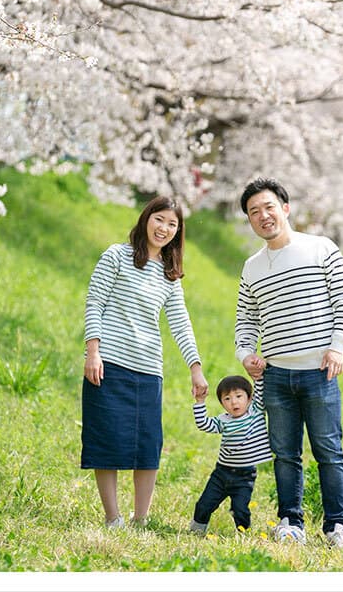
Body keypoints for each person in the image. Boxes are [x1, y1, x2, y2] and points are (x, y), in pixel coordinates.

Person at [235, 177, 343, 550]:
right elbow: (245, 321)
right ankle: (291, 522)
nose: (263, 215)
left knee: (328, 451)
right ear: (250, 221)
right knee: (285, 454)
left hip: (320, 373)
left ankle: (338, 526)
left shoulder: (321, 248)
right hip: (274, 377)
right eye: (254, 212)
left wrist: (337, 347)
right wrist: (246, 355)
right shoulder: (252, 267)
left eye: (268, 206)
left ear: (285, 208)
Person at [81, 195, 209, 529]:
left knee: (147, 445)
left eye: (172, 224)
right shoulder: (116, 256)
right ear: (146, 218)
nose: (164, 228)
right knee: (105, 441)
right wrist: (92, 352)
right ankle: (113, 518)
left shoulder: (171, 275)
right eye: (159, 219)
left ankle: (141, 519)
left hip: (148, 369)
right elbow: (94, 302)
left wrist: (195, 368)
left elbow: (180, 322)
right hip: (108, 363)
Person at [188, 374, 272, 535]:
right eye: (227, 399)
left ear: (249, 398)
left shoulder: (255, 411)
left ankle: (243, 533)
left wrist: (258, 377)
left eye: (239, 396)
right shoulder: (223, 420)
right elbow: (203, 424)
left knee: (240, 509)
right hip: (221, 473)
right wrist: (200, 402)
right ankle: (196, 530)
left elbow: (260, 392)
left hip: (244, 475)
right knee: (204, 504)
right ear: (222, 404)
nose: (234, 402)